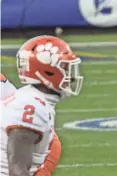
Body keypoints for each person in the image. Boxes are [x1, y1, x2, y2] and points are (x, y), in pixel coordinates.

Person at [0, 35, 83, 176]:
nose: (71, 76)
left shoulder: (31, 99)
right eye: (65, 68)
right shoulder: (30, 106)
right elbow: (17, 170)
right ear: (48, 72)